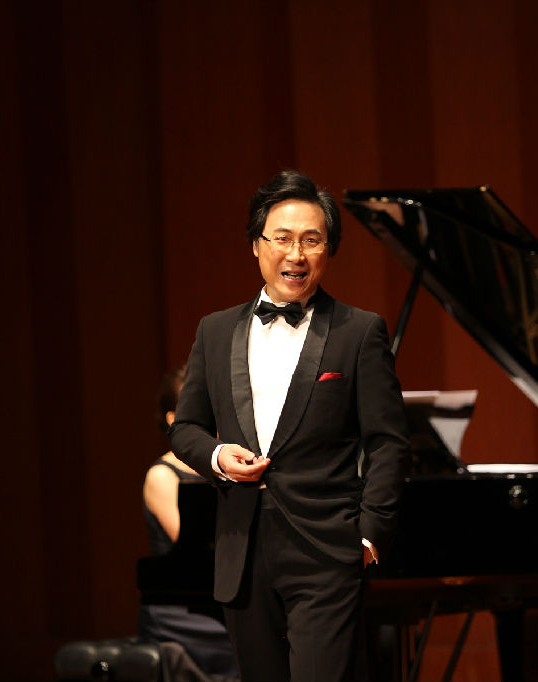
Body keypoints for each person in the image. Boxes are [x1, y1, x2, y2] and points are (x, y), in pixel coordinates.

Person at [168, 170, 410, 682]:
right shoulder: (214, 331)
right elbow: (185, 427)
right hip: (242, 547)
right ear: (257, 245)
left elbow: (388, 441)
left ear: (329, 250)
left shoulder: (359, 331)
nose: (295, 254)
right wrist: (217, 456)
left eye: (311, 240)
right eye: (282, 238)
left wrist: (370, 535)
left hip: (326, 551)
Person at [139, 364, 238, 681]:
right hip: (183, 612)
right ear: (173, 420)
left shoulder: (228, 467)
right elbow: (195, 547)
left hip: (223, 597)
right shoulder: (162, 475)